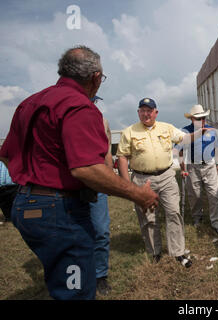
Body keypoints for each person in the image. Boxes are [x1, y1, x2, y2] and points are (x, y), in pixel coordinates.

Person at [0, 46, 159, 300]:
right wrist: (138, 195)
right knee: (77, 292)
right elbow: (87, 168)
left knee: (62, 280)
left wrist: (33, 186)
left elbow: (6, 153)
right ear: (96, 78)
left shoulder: (29, 103)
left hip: (25, 207)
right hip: (60, 212)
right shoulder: (79, 106)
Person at [116, 98, 210, 268]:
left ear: (155, 113)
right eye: (142, 110)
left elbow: (184, 138)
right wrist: (126, 186)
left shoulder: (167, 128)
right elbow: (122, 157)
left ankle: (178, 252)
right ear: (138, 112)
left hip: (166, 176)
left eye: (149, 110)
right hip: (142, 179)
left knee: (173, 212)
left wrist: (199, 133)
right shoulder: (129, 132)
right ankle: (155, 253)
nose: (146, 114)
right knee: (148, 217)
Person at [176, 104, 218, 235]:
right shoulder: (185, 131)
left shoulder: (212, 130)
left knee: (214, 195)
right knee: (195, 195)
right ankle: (197, 217)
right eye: (198, 118)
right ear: (192, 119)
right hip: (193, 167)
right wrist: (182, 168)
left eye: (203, 118)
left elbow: (217, 148)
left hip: (209, 165)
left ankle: (217, 223)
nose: (201, 121)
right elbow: (179, 150)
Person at [89, 95, 112, 296]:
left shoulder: (102, 121)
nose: (92, 104)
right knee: (75, 231)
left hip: (97, 185)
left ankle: (100, 275)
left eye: (94, 100)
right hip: (70, 185)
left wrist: (110, 181)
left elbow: (107, 153)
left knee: (101, 230)